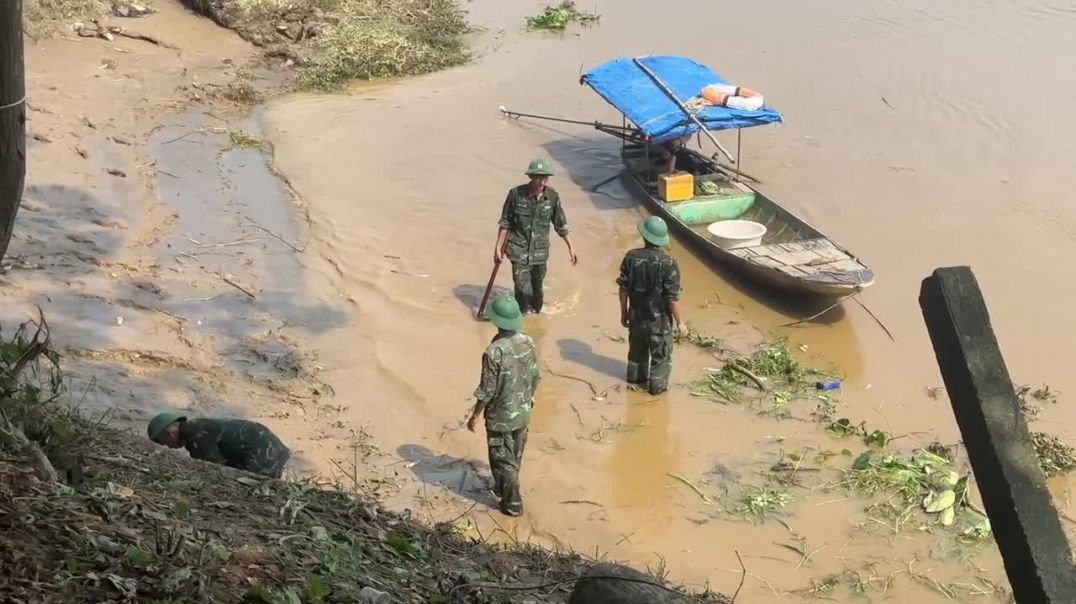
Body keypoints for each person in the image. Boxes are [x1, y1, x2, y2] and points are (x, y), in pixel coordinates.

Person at [466, 295, 540, 516]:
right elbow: (535, 376)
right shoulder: (527, 342)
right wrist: (531, 396)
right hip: (523, 411)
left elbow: (487, 390)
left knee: (502, 459)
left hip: (501, 416)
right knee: (514, 456)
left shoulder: (494, 351)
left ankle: (513, 505)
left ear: (497, 321)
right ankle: (501, 487)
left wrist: (475, 415)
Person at [494, 159, 578, 315]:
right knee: (523, 289)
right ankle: (520, 318)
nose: (542, 181)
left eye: (545, 177)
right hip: (518, 250)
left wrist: (571, 247)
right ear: (531, 177)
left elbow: (561, 224)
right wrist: (498, 247)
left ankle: (536, 317)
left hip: (540, 252)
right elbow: (505, 222)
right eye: (538, 177)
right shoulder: (515, 195)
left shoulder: (552, 197)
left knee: (537, 291)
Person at [617, 216, 687, 395]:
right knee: (660, 359)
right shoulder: (668, 263)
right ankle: (656, 390)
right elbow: (672, 298)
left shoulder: (631, 257)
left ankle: (634, 384)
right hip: (659, 324)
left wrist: (624, 313)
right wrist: (681, 322)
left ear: (644, 236)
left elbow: (623, 288)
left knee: (636, 356)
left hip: (637, 320)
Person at [147, 413, 290, 479]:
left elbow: (214, 469)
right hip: (274, 449)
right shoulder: (197, 425)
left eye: (165, 443)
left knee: (243, 481)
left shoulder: (194, 434)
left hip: (261, 453)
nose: (170, 447)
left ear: (169, 433)